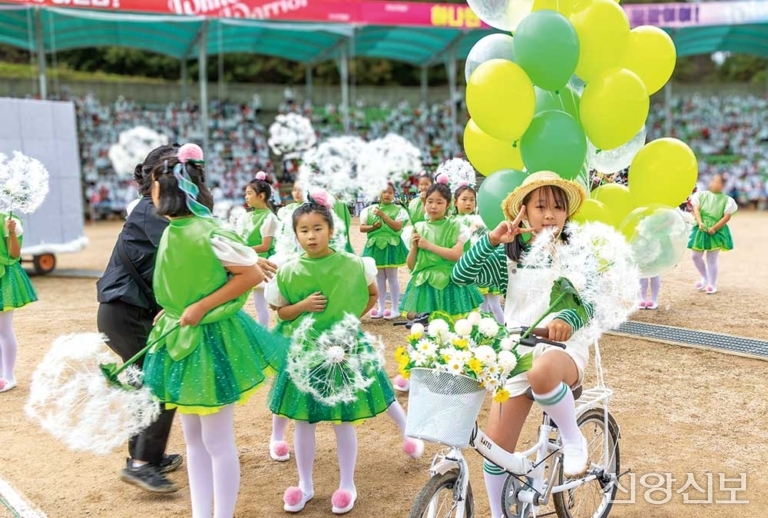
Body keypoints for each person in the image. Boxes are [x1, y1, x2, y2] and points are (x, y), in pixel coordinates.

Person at [142, 144, 282, 518]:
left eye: (155, 184)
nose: (150, 191)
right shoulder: (176, 228)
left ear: (171, 190)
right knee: (194, 440)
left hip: (212, 340)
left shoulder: (207, 230)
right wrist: (170, 311)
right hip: (181, 337)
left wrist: (199, 307)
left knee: (217, 440)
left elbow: (249, 276)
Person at [266, 190, 422, 515]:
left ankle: (347, 484)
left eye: (318, 228)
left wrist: (350, 319)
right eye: (304, 230)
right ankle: (305, 484)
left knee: (341, 421)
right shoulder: (289, 270)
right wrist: (303, 306)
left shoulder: (352, 264)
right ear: (295, 235)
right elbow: (280, 312)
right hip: (306, 355)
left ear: (332, 230)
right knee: (303, 422)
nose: (311, 236)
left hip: (343, 349)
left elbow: (372, 293)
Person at [452, 171, 594, 518]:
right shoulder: (509, 258)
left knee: (542, 371)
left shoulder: (576, 253)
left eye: (558, 207)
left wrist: (566, 321)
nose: (550, 215)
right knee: (495, 452)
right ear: (524, 212)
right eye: (541, 206)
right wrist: (491, 241)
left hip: (563, 350)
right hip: (515, 352)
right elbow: (460, 277)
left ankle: (573, 438)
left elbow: (590, 303)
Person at [96, 143, 182, 492]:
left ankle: (148, 456)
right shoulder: (152, 211)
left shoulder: (158, 210)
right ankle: (142, 463)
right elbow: (186, 249)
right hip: (123, 312)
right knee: (159, 384)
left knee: (148, 385)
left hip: (128, 311)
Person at [400, 175, 483, 320]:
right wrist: (414, 247)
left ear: (448, 204)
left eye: (439, 202)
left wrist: (428, 245)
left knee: (454, 326)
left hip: (451, 283)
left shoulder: (457, 227)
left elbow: (455, 255)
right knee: (426, 326)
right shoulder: (417, 228)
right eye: (430, 201)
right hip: (425, 286)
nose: (433, 206)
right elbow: (411, 266)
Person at [453, 184, 504, 324]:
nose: (468, 203)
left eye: (472, 199)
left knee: (494, 304)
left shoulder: (482, 219)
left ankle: (503, 329)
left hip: (487, 264)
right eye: (464, 199)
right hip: (470, 266)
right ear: (455, 201)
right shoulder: (453, 222)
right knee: (480, 304)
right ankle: (485, 331)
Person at [0, 212, 38, 393]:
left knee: (4, 329)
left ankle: (8, 376)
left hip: (4, 278)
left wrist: (12, 232)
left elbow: (14, 254)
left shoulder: (9, 219)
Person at [360, 183, 409, 319]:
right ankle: (381, 308)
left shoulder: (399, 210)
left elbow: (397, 227)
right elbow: (362, 228)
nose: (387, 195)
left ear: (394, 194)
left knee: (392, 277)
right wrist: (373, 227)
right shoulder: (368, 210)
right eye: (384, 192)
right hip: (375, 245)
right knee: (379, 278)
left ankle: (394, 308)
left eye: (390, 192)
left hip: (391, 245)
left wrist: (382, 215)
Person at [688, 174, 738, 294]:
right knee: (695, 256)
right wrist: (700, 222)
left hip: (717, 230)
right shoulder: (701, 195)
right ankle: (705, 277)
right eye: (713, 181)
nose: (714, 183)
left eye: (718, 182)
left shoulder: (727, 200)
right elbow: (696, 209)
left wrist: (715, 228)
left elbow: (727, 217)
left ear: (723, 185)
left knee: (712, 258)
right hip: (701, 229)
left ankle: (712, 283)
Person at [241, 172, 279, 327]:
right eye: (246, 194)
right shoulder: (248, 216)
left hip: (262, 263)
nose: (246, 197)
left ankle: (263, 330)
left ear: (261, 196)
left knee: (263, 302)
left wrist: (242, 250)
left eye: (249, 193)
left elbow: (265, 246)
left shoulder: (270, 218)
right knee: (255, 303)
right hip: (248, 260)